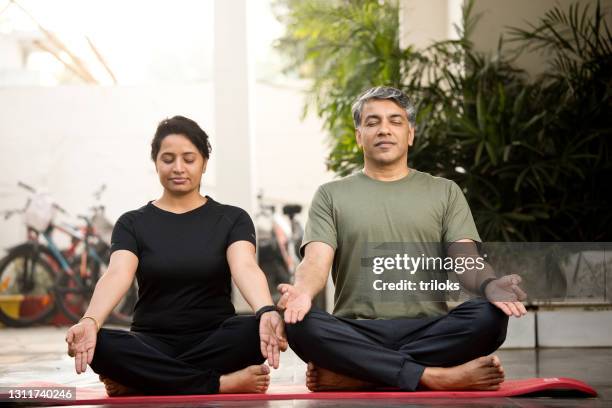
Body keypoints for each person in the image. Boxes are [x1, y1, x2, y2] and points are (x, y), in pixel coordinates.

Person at [277, 86, 528, 392]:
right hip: (357, 330)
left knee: (489, 315)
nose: (384, 129)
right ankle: (434, 377)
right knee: (301, 323)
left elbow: (465, 259)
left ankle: (359, 375)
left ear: (410, 134)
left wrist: (490, 285)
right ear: (359, 136)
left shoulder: (444, 191)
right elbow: (315, 259)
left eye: (395, 121)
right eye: (372, 122)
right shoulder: (331, 195)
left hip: (429, 328)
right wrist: (302, 292)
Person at [65, 116, 287, 396]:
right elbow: (117, 274)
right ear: (156, 163)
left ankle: (144, 380)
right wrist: (89, 320)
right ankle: (219, 384)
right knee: (100, 343)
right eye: (168, 159)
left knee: (256, 331)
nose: (178, 168)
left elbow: (244, 266)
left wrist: (266, 311)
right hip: (151, 341)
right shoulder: (132, 223)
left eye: (189, 159)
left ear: (205, 162)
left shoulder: (232, 219)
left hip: (215, 338)